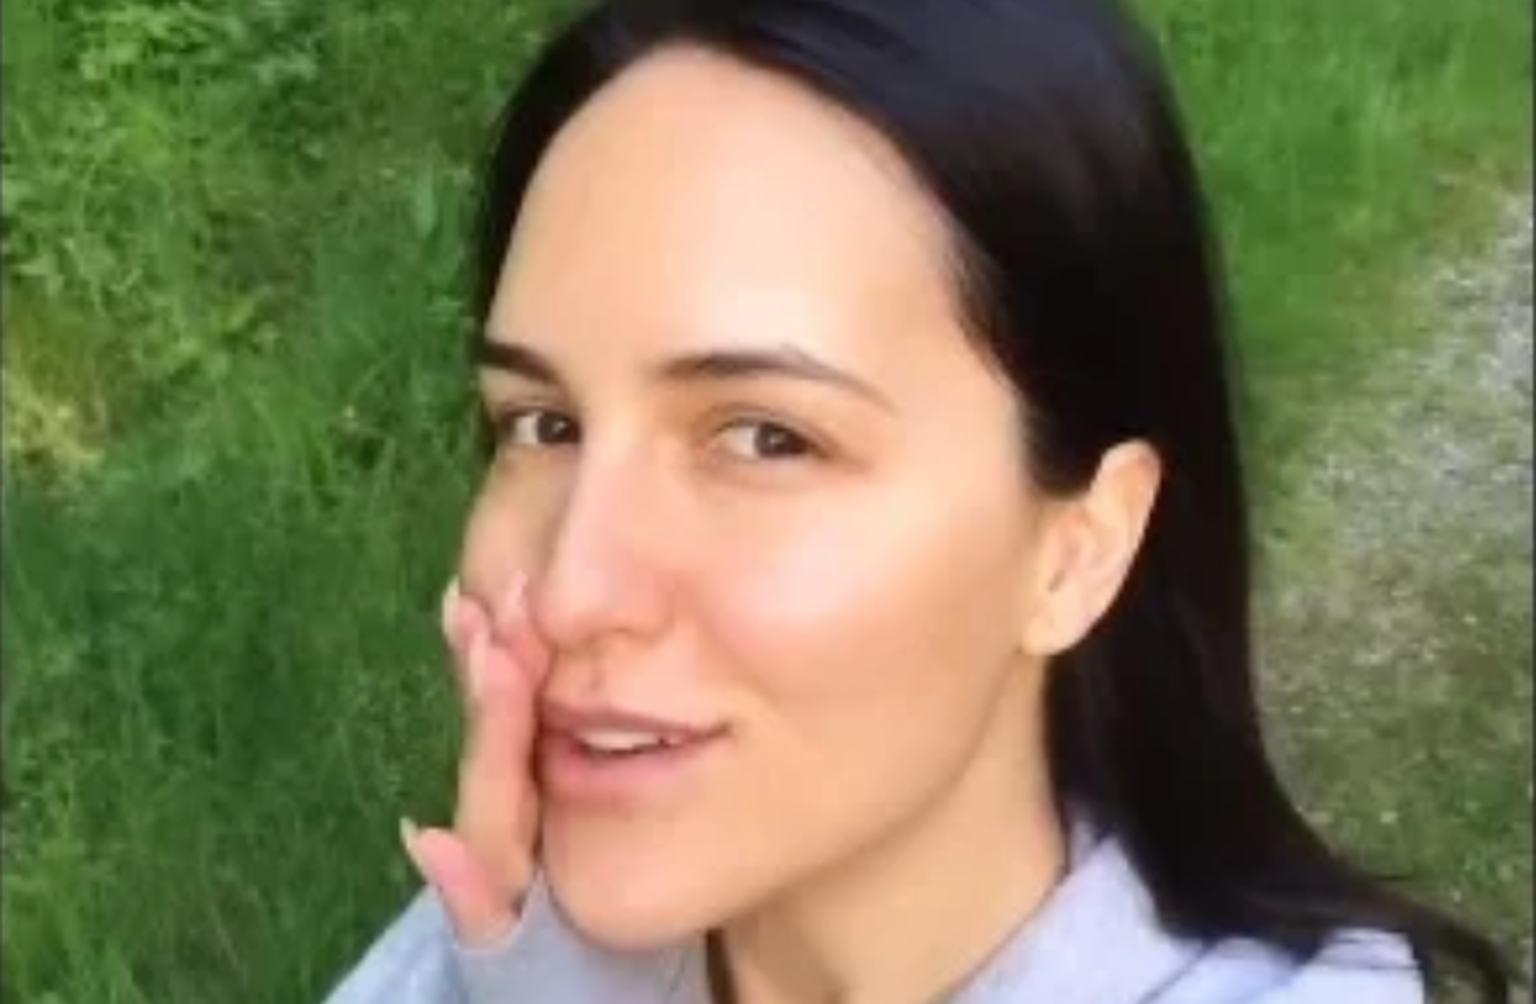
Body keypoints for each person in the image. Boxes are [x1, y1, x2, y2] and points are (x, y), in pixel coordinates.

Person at [320, 1, 1515, 1001]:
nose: (571, 589)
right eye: (543, 424)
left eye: (768, 437)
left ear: (1080, 545)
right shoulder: (484, 942)